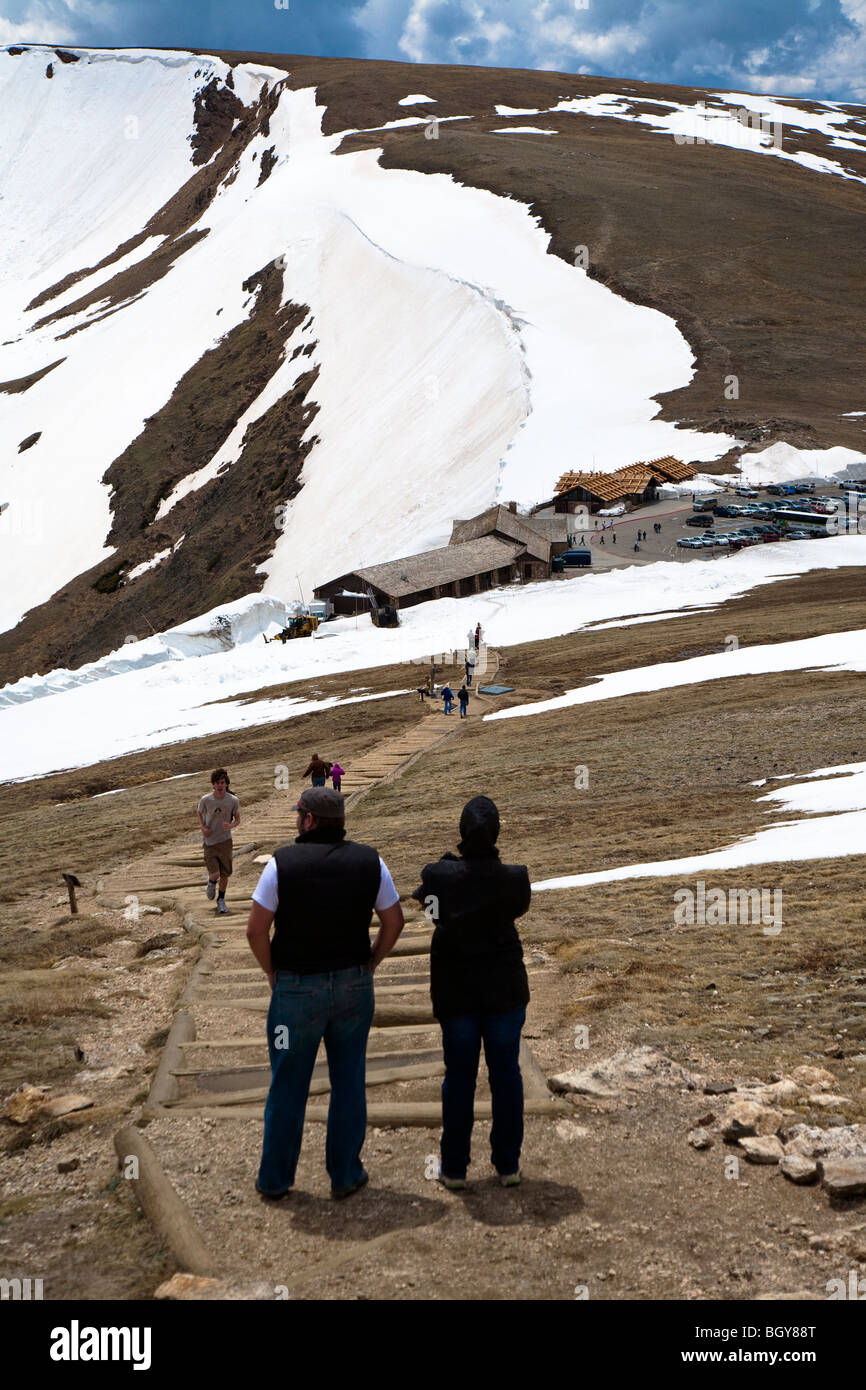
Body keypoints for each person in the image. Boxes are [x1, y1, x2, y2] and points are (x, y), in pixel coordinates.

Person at [246, 788, 404, 1199]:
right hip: (353, 985)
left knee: (287, 1084)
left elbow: (256, 929)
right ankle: (346, 1174)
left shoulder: (281, 864)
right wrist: (371, 963)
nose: (297, 818)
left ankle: (276, 1180)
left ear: (310, 820)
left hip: (296, 990)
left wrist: (271, 972)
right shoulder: (371, 861)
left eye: (300, 813)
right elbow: (394, 921)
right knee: (349, 1081)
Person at [412, 797, 530, 1190]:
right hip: (504, 990)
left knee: (460, 1077)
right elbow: (515, 909)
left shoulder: (438, 875)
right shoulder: (516, 878)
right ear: (497, 832)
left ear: (462, 832)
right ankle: (508, 1164)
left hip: (456, 989)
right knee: (506, 1075)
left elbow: (433, 912)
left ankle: (455, 1168)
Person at [197, 768, 240, 915]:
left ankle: (221, 900)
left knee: (225, 874)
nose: (220, 785)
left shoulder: (233, 800)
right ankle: (211, 882)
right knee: (215, 874)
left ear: (226, 784)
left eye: (222, 782)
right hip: (209, 842)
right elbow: (199, 812)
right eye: (217, 783)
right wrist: (203, 827)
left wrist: (231, 825)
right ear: (213, 785)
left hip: (225, 842)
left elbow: (238, 819)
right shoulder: (206, 800)